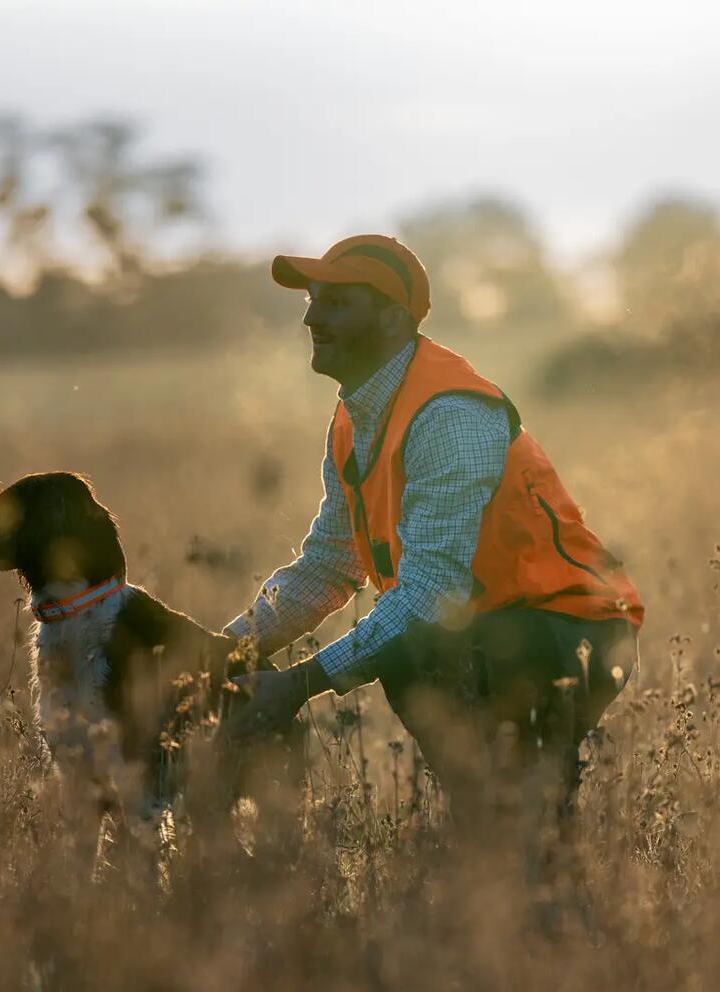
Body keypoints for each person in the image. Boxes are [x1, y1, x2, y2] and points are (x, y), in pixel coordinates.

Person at [218, 234, 643, 825]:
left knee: (420, 659)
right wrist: (220, 654)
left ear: (394, 319)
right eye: (312, 300)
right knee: (492, 807)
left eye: (338, 303)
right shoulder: (355, 415)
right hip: (497, 627)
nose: (313, 317)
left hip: (565, 629)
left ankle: (526, 837)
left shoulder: (449, 414)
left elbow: (427, 595)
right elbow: (328, 565)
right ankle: (513, 840)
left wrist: (294, 688)